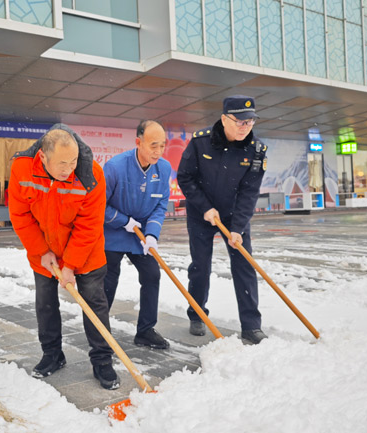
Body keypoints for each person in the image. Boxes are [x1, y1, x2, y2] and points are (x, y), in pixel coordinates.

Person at [8, 124, 120, 390]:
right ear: (43, 158)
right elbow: (20, 214)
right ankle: (52, 355)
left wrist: (70, 264)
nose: (69, 169)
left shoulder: (91, 173)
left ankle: (102, 360)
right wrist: (41, 251)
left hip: (87, 252)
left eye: (72, 161)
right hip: (44, 251)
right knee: (45, 304)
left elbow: (90, 225)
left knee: (94, 304)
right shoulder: (22, 169)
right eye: (62, 163)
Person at [177, 95, 268, 344]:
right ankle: (197, 315)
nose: (245, 126)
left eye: (250, 121)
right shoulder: (200, 143)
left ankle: (251, 325)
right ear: (224, 119)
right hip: (201, 214)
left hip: (233, 215)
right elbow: (185, 178)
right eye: (240, 121)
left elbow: (250, 191)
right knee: (200, 266)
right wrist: (205, 207)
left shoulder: (256, 150)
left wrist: (237, 227)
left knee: (244, 266)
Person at [102, 120, 171, 349]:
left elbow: (160, 205)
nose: (158, 152)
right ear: (138, 142)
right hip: (112, 232)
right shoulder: (115, 167)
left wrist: (151, 234)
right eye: (153, 145)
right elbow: (99, 205)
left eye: (162, 146)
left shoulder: (164, 169)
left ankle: (145, 330)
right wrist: (124, 221)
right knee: (109, 280)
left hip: (140, 234)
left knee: (152, 275)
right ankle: (100, 330)